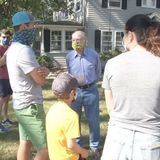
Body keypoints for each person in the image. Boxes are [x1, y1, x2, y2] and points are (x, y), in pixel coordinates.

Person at [101, 14, 160, 160]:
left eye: (123, 34)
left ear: (130, 35)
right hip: (150, 142)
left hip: (116, 141)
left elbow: (110, 108)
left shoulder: (112, 64)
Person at [6, 11, 49, 160]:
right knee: (45, 149)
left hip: (20, 104)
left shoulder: (12, 48)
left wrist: (40, 71)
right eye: (33, 25)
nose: (34, 28)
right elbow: (40, 80)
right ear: (24, 26)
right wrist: (45, 72)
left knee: (25, 143)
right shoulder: (24, 50)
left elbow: (31, 73)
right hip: (31, 107)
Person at [66, 30, 101, 159]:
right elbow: (69, 73)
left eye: (78, 39)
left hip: (91, 91)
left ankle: (95, 147)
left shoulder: (94, 55)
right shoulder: (69, 56)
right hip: (74, 92)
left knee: (93, 121)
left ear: (85, 40)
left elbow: (98, 73)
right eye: (73, 40)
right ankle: (78, 147)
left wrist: (89, 83)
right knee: (74, 121)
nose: (76, 42)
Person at [46, 72, 89, 160]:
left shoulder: (52, 109)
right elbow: (71, 145)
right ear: (72, 93)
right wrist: (84, 152)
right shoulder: (71, 115)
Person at [0, 29, 15, 133]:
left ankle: (5, 119)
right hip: (1, 78)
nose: (6, 39)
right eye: (3, 37)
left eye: (7, 37)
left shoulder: (10, 48)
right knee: (1, 101)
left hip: (9, 77)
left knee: (6, 99)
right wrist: (7, 53)